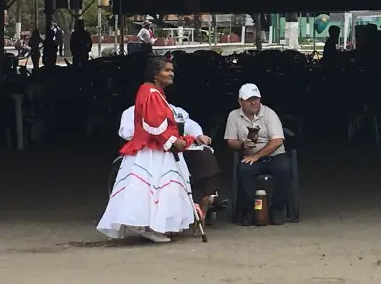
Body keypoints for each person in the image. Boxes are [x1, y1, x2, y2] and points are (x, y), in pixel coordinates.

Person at [97, 56, 199, 243]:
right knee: (152, 187)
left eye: (172, 70)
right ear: (155, 73)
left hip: (156, 147)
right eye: (166, 70)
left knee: (155, 189)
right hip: (151, 150)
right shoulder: (150, 93)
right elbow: (153, 124)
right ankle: (150, 227)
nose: (171, 74)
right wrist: (173, 141)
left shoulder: (154, 92)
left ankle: (156, 226)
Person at [118, 103, 223, 219]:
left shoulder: (172, 109)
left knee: (204, 154)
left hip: (178, 148)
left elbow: (189, 124)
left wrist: (198, 135)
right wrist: (154, 134)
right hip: (152, 152)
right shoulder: (132, 112)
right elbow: (125, 132)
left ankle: (208, 196)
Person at [224, 83, 291, 226]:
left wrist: (257, 155)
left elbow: (278, 140)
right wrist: (242, 145)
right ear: (240, 101)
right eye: (249, 99)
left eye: (256, 98)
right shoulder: (234, 116)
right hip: (250, 156)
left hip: (274, 155)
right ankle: (248, 211)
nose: (254, 102)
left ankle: (277, 210)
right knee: (244, 170)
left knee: (285, 169)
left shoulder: (269, 113)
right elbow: (230, 141)